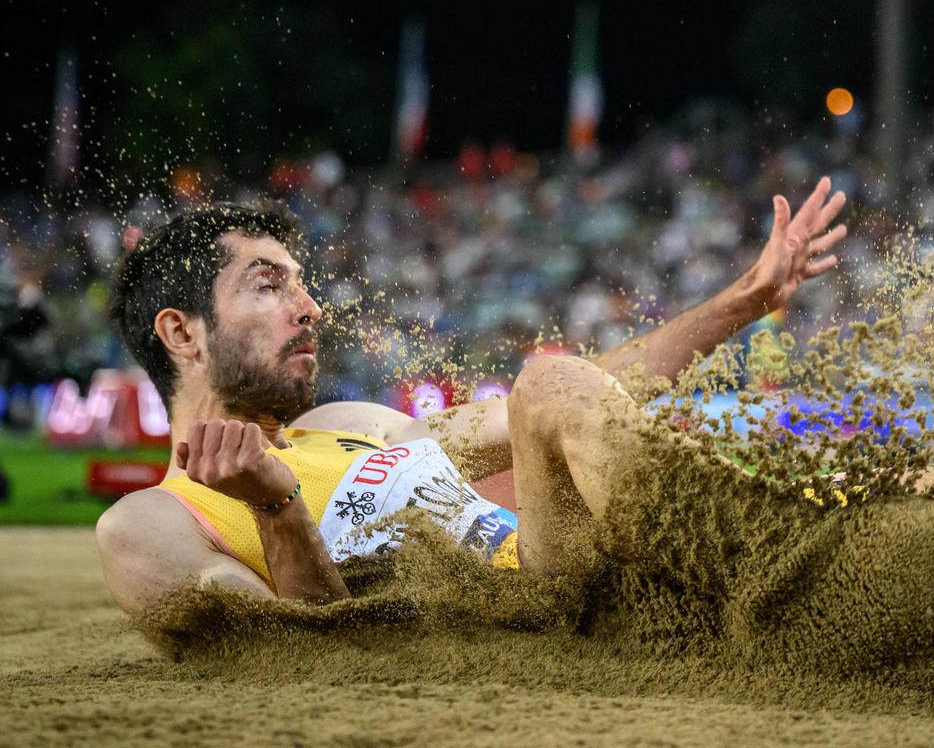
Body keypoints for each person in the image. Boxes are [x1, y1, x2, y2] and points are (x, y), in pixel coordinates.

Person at [96, 178, 850, 613]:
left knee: (551, 388)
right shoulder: (152, 521)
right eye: (270, 286)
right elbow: (298, 662)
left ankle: (827, 542)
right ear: (182, 334)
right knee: (550, 384)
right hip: (524, 626)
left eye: (303, 283)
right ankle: (796, 577)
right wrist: (278, 508)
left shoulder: (344, 424)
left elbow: (579, 401)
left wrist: (745, 300)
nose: (310, 307)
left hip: (592, 578)